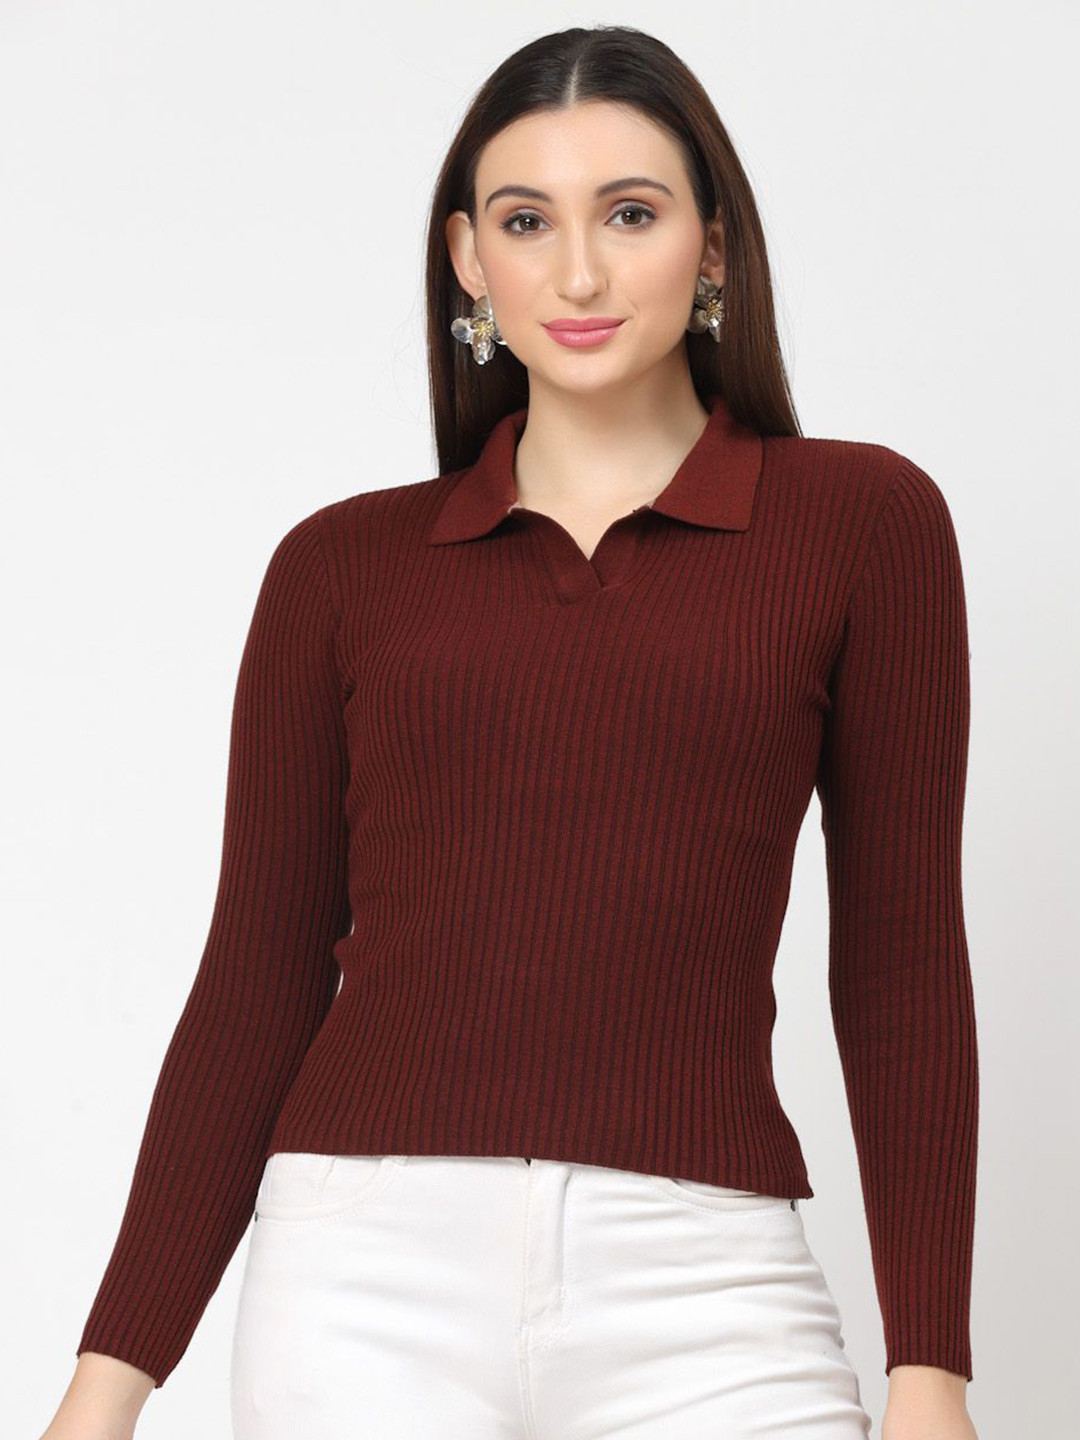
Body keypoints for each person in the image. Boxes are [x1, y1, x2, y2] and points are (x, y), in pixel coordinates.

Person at [41, 23, 979, 1440]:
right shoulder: (341, 567)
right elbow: (256, 979)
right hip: (361, 1275)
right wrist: (104, 1390)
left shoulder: (862, 524)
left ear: (715, 246)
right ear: (470, 259)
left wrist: (930, 1372)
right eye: (527, 221)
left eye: (631, 214)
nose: (579, 274)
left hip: (704, 1276)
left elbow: (902, 962)